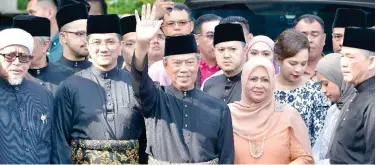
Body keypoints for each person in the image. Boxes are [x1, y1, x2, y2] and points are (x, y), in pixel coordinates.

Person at [132, 4, 234, 163]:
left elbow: (226, 158)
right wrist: (142, 43)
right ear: (166, 66)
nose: (184, 69)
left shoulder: (218, 108)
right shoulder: (155, 100)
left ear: (198, 63)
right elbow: (139, 79)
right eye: (177, 63)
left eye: (189, 62)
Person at [51, 14, 145, 164]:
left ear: (120, 46)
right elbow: (59, 140)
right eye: (96, 42)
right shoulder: (69, 86)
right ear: (88, 46)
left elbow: (146, 139)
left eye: (110, 42)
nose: (103, 48)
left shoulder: (136, 84)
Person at [229, 57, 313, 164]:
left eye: (265, 80)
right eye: (253, 79)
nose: (259, 85)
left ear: (272, 82)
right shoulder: (229, 114)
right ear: (244, 80)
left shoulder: (287, 115)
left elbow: (304, 158)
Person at [0, 28, 54, 164]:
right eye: (9, 56)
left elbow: (55, 143)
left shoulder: (44, 94)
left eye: (23, 57)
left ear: (30, 61)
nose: (17, 62)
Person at [273, 29, 330, 146]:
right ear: (279, 59)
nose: (298, 69)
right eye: (293, 63)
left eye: (303, 64)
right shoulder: (264, 88)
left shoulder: (315, 91)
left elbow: (320, 138)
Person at [328, 27, 375, 164]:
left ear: (371, 61)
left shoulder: (373, 100)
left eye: (350, 57)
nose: (343, 64)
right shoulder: (356, 91)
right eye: (342, 56)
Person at [311, 53, 356, 164]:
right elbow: (320, 148)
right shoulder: (334, 110)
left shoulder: (357, 111)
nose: (323, 90)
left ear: (340, 79)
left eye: (326, 84)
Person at [12, 15, 73, 93]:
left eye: (26, 44)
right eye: (15, 43)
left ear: (45, 45)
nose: (19, 50)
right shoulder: (7, 75)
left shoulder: (67, 76)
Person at [148, 3, 194, 86]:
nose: (176, 27)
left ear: (191, 26)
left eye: (182, 22)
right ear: (163, 28)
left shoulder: (204, 60)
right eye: (170, 23)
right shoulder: (157, 70)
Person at [202, 23, 246, 104]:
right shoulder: (208, 84)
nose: (226, 55)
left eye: (232, 49)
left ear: (245, 50)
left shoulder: (254, 83)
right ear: (215, 51)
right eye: (221, 50)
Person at [56, 3, 92, 73]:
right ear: (63, 37)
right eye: (80, 34)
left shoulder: (101, 73)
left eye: (88, 33)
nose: (86, 39)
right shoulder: (50, 75)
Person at [293, 14, 326, 81]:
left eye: (314, 35)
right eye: (303, 35)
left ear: (324, 39)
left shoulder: (335, 68)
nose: (309, 40)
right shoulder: (284, 70)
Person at [194, 14, 222, 85]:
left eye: (221, 34)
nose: (217, 41)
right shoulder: (188, 63)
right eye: (210, 36)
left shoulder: (234, 63)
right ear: (196, 39)